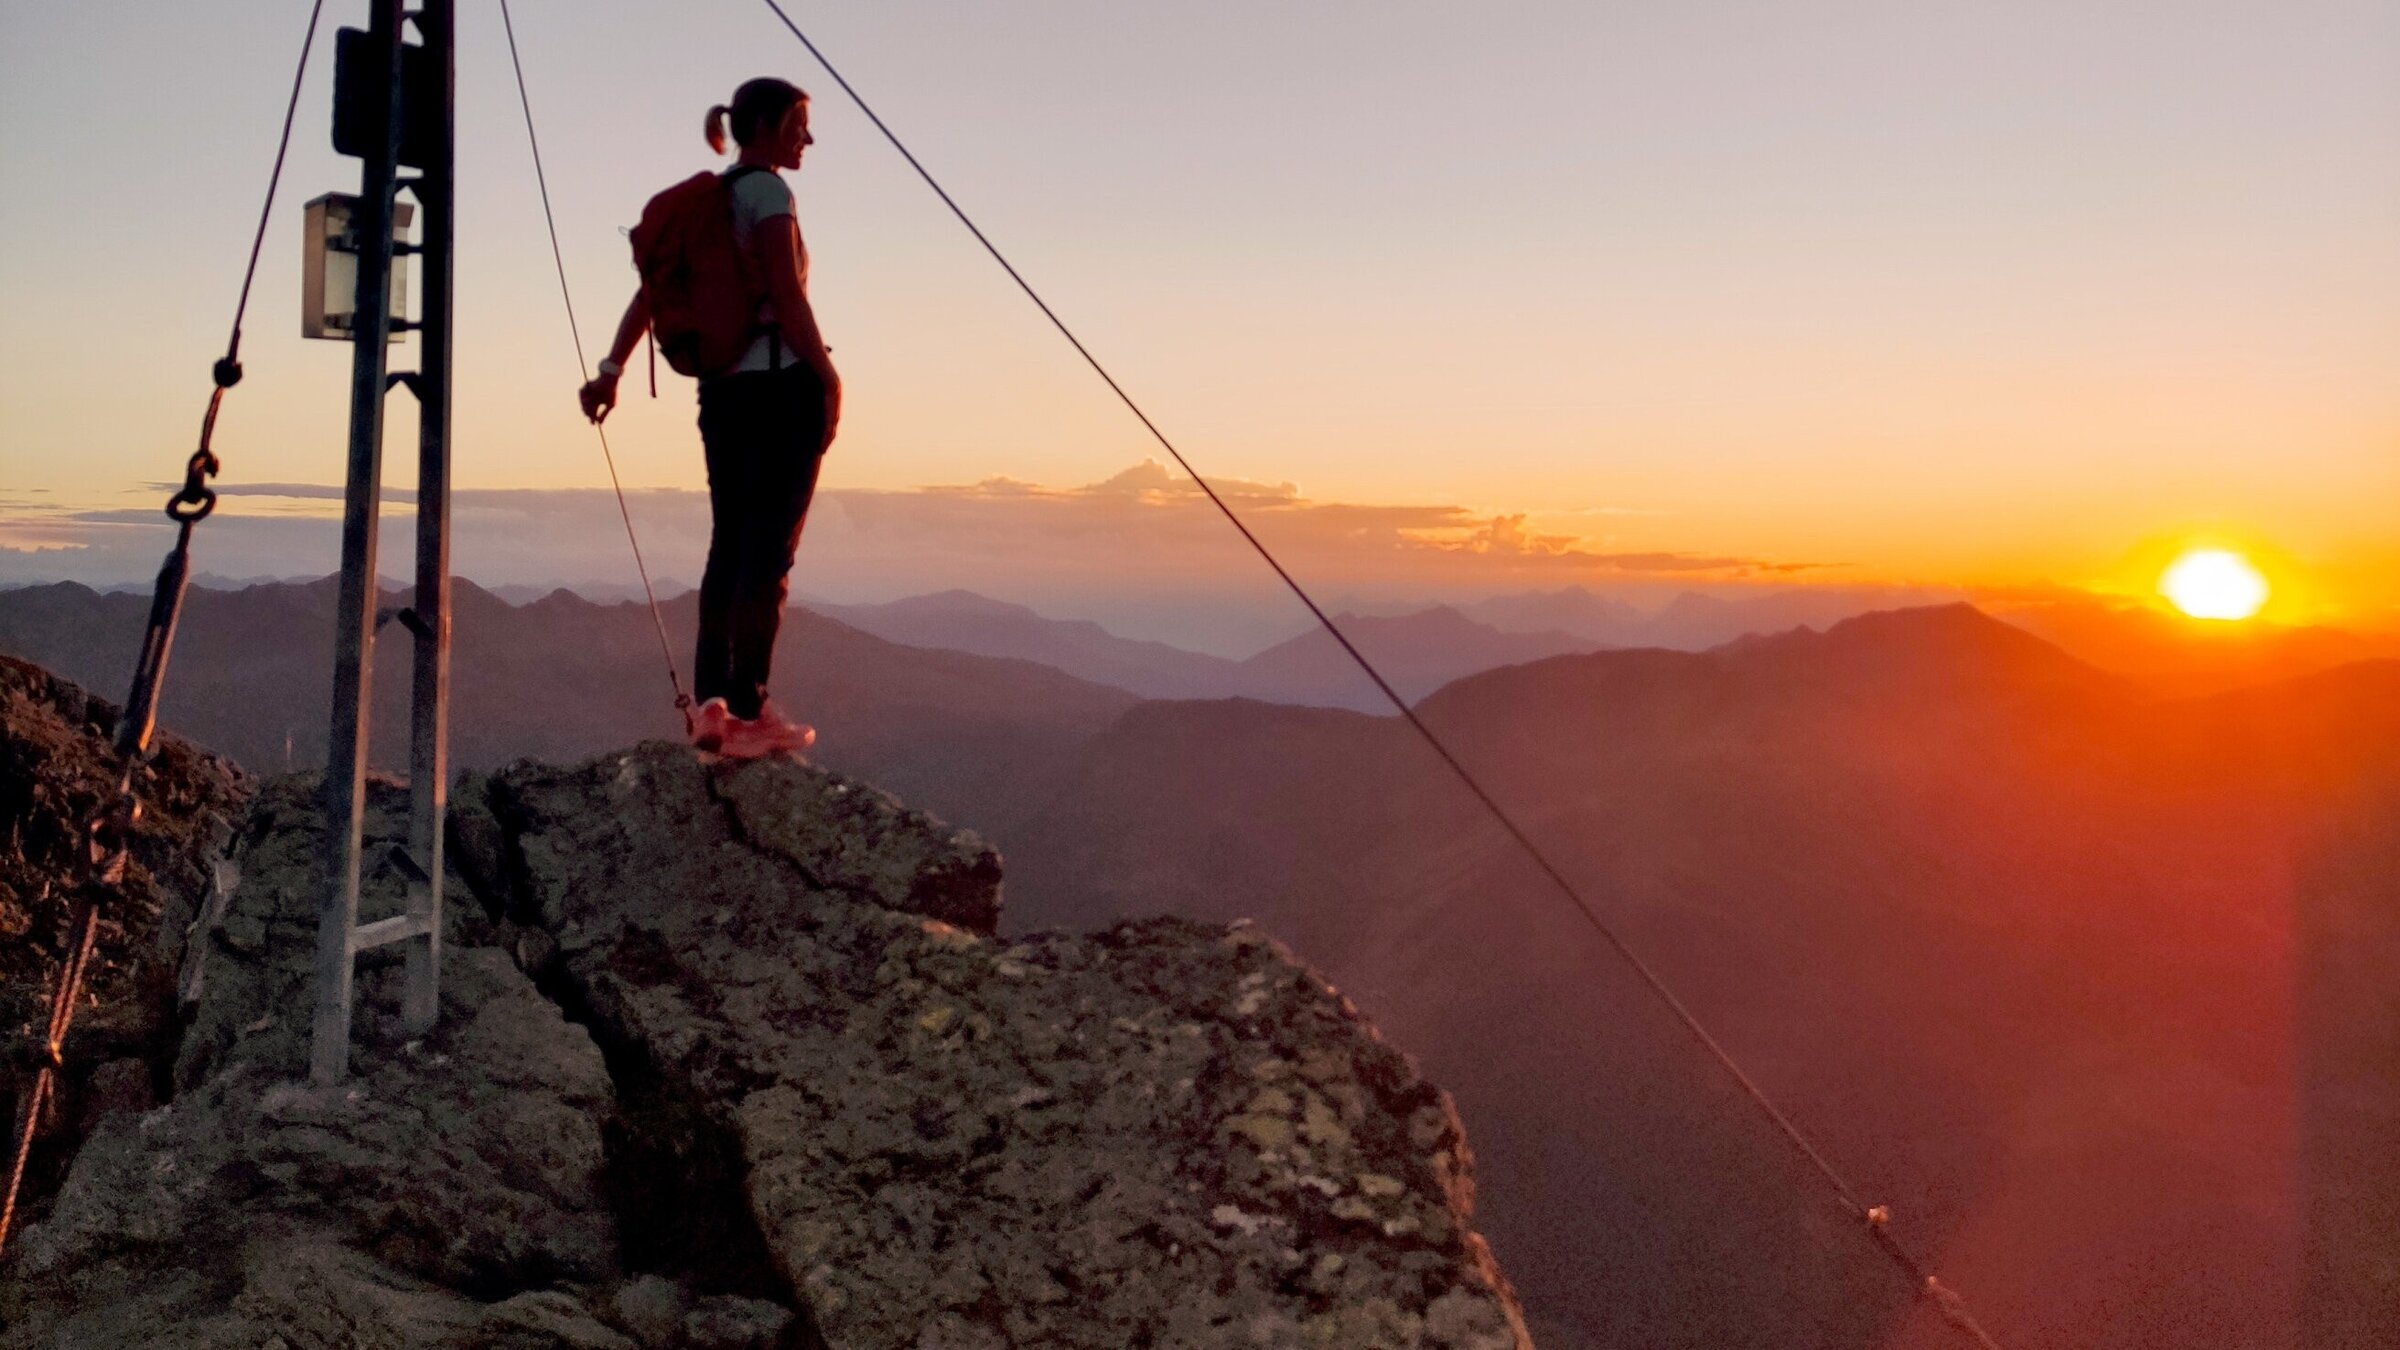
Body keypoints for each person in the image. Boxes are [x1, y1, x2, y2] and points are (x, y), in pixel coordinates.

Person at [580, 77, 840, 759]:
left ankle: (713, 707)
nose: (807, 138)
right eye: (799, 125)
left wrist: (611, 372)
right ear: (767, 125)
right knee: (770, 554)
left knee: (729, 545)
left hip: (721, 396)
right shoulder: (768, 194)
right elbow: (786, 294)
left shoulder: (708, 205)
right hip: (782, 389)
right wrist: (828, 377)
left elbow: (652, 296)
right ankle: (752, 711)